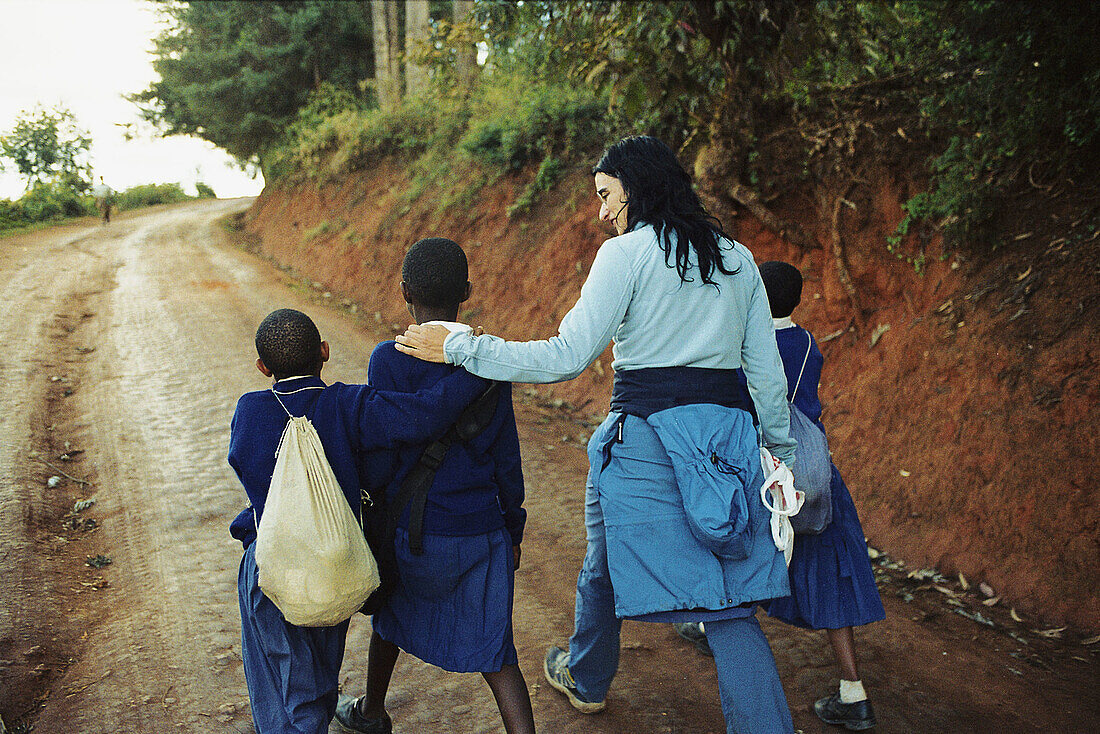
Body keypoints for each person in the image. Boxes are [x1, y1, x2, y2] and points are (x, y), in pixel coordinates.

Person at [395, 136, 798, 734]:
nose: (602, 211)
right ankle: (595, 674)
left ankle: (585, 676)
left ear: (633, 189)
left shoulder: (625, 256)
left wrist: (458, 345)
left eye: (606, 195)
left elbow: (565, 356)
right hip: (725, 446)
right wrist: (780, 458)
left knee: (608, 558)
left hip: (645, 446)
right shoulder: (737, 260)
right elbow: (766, 377)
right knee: (728, 603)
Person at [227, 308, 489, 734]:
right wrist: (480, 367)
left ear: (263, 368)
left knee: (279, 684)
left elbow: (244, 464)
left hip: (270, 567)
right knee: (322, 669)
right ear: (325, 352)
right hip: (336, 558)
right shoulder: (349, 405)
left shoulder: (250, 411)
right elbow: (426, 413)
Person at [335, 238, 535, 734]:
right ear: (467, 291)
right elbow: (507, 461)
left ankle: (373, 712)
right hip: (480, 533)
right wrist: (513, 530)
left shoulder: (388, 359)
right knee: (498, 652)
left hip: (413, 533)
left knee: (391, 620)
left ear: (404, 291)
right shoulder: (488, 360)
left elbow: (381, 457)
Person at [677, 262, 886, 731]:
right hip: (812, 473)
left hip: (763, 468)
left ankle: (712, 626)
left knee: (733, 546)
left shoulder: (743, 343)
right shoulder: (809, 344)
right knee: (832, 570)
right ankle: (854, 693)